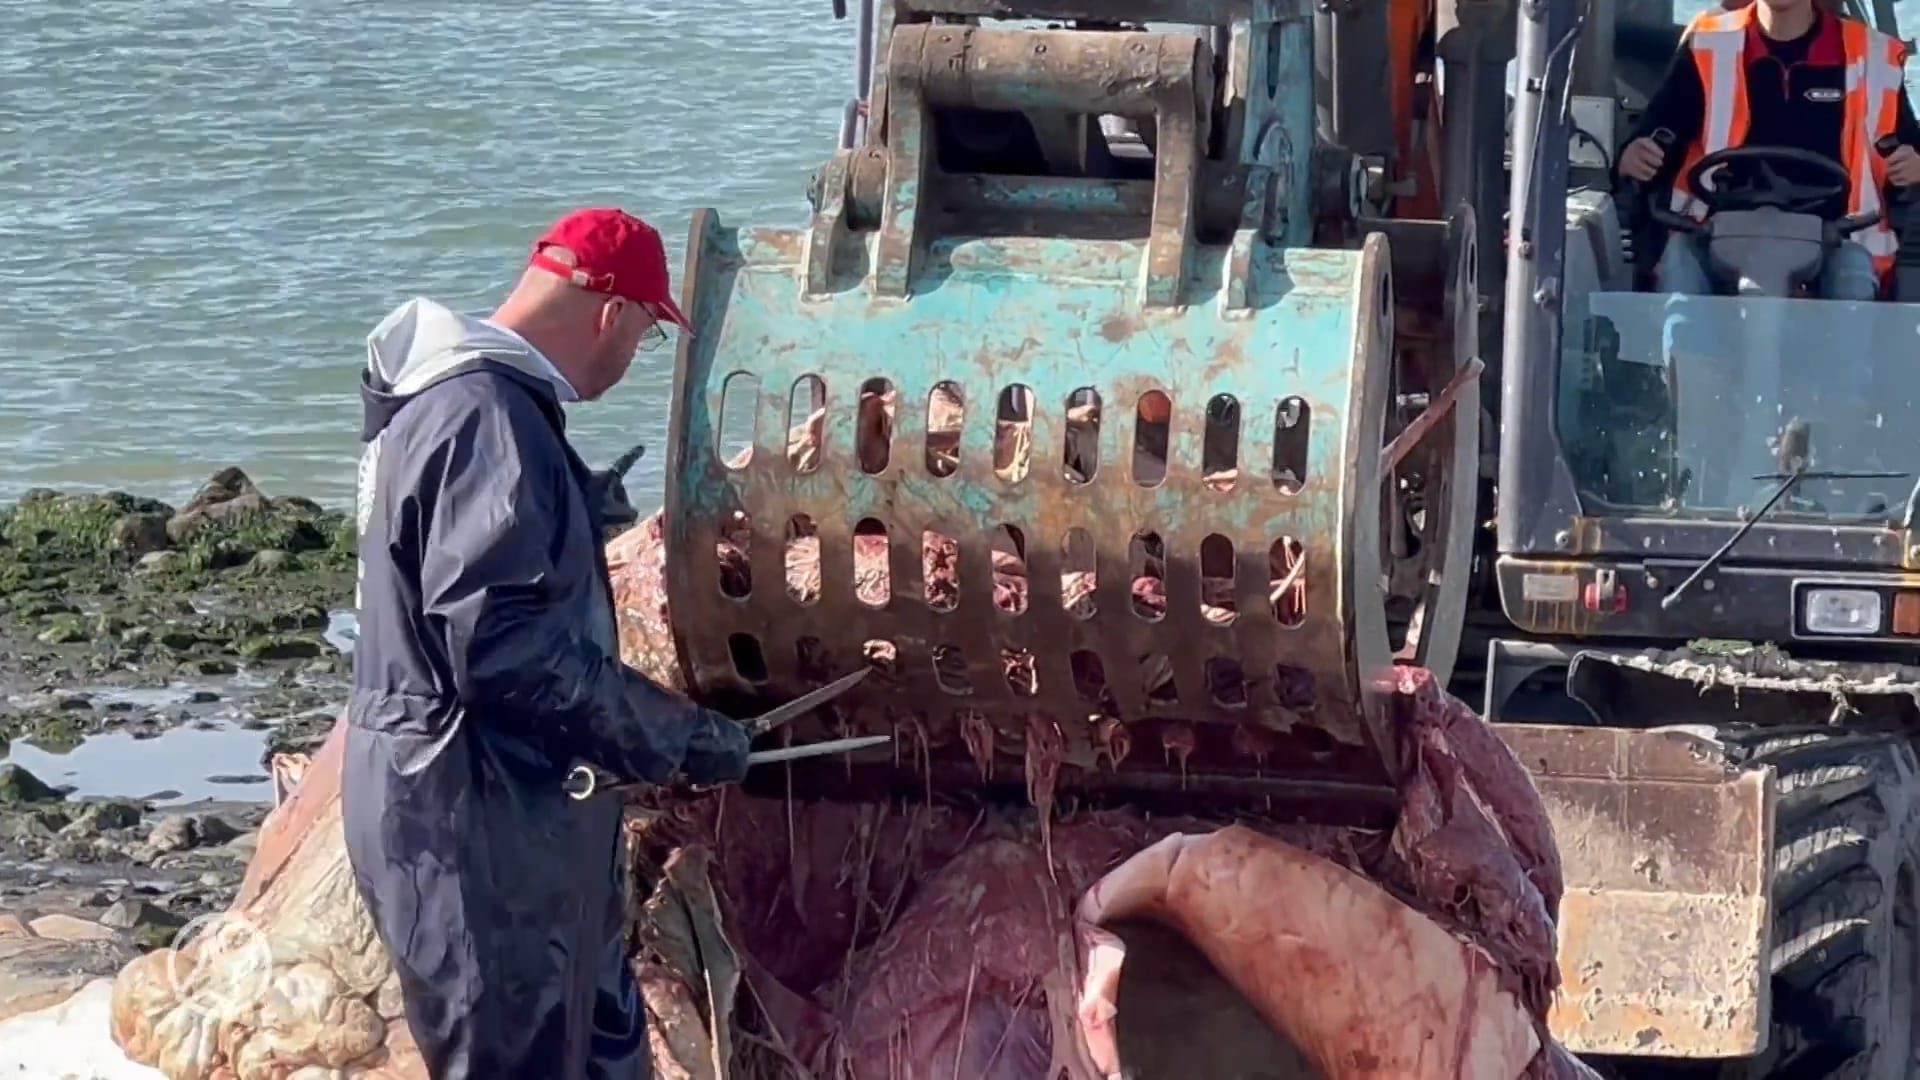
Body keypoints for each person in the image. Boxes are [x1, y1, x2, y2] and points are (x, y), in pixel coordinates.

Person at [344, 207, 753, 1079]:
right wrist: (674, 737)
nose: (630, 357)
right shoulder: (487, 418)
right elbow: (500, 648)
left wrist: (570, 524)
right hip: (467, 821)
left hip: (505, 810)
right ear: (609, 310)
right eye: (643, 334)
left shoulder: (460, 405)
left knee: (599, 1052)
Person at [1617, 0, 1920, 299]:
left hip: (1836, 238)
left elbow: (1905, 150)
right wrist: (1636, 155)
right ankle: (1675, 350)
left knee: (1853, 282)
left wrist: (1912, 165)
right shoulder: (1708, 44)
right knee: (1678, 272)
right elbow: (1658, 131)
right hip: (1713, 234)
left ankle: (1850, 348)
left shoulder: (1873, 57)